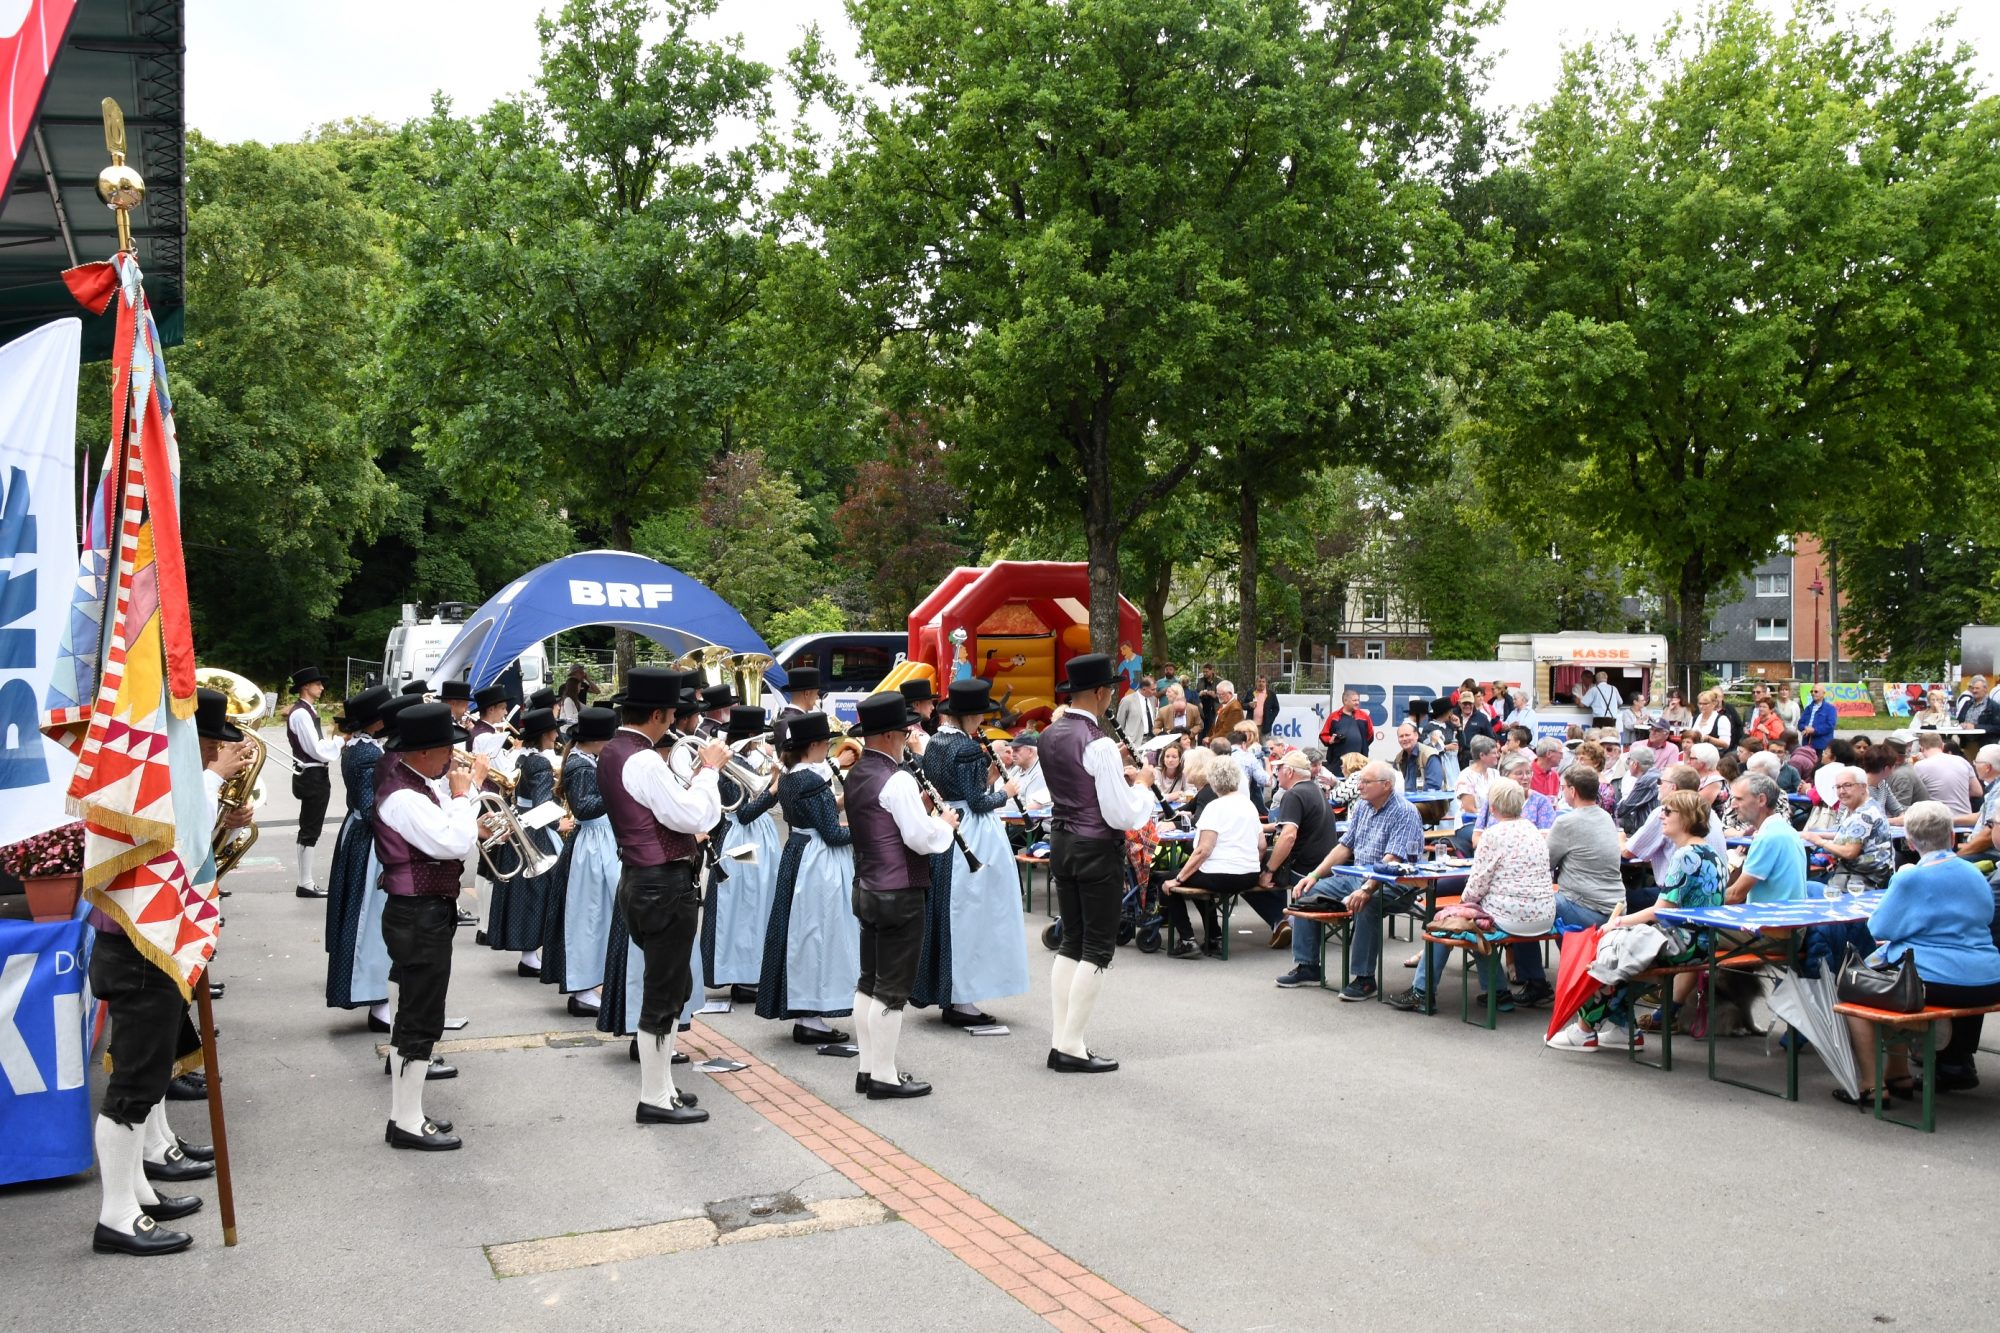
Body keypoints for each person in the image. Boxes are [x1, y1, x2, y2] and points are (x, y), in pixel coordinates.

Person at [85, 689, 248, 1256]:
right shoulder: (148, 785)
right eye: (200, 745)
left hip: (146, 945)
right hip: (138, 948)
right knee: (133, 1086)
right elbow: (182, 834)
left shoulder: (157, 777)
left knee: (147, 1076)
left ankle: (135, 1194)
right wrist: (207, 782)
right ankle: (117, 1215)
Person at [600, 667, 727, 1125]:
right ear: (656, 713)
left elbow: (662, 809)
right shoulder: (644, 759)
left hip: (642, 878)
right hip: (661, 883)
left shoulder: (616, 750)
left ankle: (665, 1087)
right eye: (672, 713)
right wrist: (709, 771)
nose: (675, 721)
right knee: (664, 989)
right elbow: (691, 814)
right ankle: (654, 1095)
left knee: (671, 985)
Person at [1833, 801, 2000, 1105]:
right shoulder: (1975, 873)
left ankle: (1872, 1086)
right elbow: (1986, 916)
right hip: (1989, 979)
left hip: (1942, 983)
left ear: (1909, 842)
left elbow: (1879, 927)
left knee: (1854, 992)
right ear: (1952, 837)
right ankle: (1899, 1076)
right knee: (1890, 980)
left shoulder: (1910, 877)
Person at [374, 702, 486, 1151]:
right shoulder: (403, 794)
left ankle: (409, 1113)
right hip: (417, 912)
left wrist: (469, 805)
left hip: (426, 910)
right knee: (419, 1018)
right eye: (447, 749)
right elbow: (452, 840)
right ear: (424, 751)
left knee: (422, 1014)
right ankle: (405, 1119)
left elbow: (456, 833)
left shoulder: (419, 784)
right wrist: (464, 795)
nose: (452, 758)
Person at [1040, 654, 1158, 1071]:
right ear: (1099, 692)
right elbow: (1120, 815)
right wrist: (1143, 787)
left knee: (1071, 940)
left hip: (1061, 841)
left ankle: (1061, 1039)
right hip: (1094, 847)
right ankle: (1071, 1045)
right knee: (1097, 948)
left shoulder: (1049, 733)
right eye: (1109, 689)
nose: (1111, 695)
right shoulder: (1100, 742)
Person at [843, 691, 962, 1097]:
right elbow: (918, 837)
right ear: (895, 734)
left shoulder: (857, 773)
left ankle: (866, 1068)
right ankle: (884, 1074)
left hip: (866, 887)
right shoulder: (898, 779)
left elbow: (886, 823)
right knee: (892, 990)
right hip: (899, 892)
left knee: (868, 982)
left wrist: (921, 808)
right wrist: (944, 823)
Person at [1550, 790, 1724, 1051]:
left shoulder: (1686, 855)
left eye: (1667, 812)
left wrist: (1618, 922)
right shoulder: (1710, 852)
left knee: (1608, 953)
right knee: (1622, 956)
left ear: (1686, 818)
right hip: (1704, 942)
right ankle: (1624, 1029)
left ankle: (1585, 1031)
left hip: (1685, 943)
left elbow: (1661, 910)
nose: (1661, 816)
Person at [913, 679, 1031, 1027]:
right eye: (979, 714)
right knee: (972, 916)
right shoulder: (964, 749)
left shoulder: (934, 742)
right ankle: (963, 1000)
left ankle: (949, 992)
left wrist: (987, 774)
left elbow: (957, 787)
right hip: (972, 832)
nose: (981, 721)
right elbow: (978, 801)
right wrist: (1005, 791)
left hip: (945, 823)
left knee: (948, 912)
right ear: (968, 715)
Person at [1390, 779, 1554, 1012]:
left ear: (1493, 807)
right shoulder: (1535, 832)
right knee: (1474, 922)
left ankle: (1422, 991)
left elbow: (1476, 887)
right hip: (1543, 914)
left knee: (1448, 922)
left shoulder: (1492, 835)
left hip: (1511, 916)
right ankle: (1498, 993)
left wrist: (1459, 904)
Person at [756, 712, 862, 1046]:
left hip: (797, 852)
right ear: (814, 745)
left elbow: (820, 813)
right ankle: (811, 1015)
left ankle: (804, 1010)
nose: (828, 748)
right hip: (817, 861)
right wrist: (866, 829)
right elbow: (831, 833)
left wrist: (845, 804)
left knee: (798, 932)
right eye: (826, 743)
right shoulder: (812, 780)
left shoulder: (789, 776)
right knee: (819, 933)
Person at [1279, 761, 1425, 998]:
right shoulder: (1364, 807)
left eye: (1366, 782)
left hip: (1396, 884)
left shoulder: (1405, 812)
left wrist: (1366, 889)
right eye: (1359, 781)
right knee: (1307, 892)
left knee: (1367, 905)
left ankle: (1364, 979)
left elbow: (1392, 860)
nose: (1359, 786)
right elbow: (1345, 846)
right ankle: (1308, 967)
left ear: (1386, 785)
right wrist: (1314, 875)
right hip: (1359, 877)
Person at [696, 707, 784, 1005]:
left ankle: (748, 972)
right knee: (745, 905)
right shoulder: (732, 765)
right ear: (749, 738)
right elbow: (744, 813)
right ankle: (742, 974)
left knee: (754, 905)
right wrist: (773, 788)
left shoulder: (742, 760)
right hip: (741, 841)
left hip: (751, 838)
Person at [540, 707, 619, 1016]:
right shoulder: (580, 766)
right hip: (591, 844)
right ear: (598, 740)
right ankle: (584, 990)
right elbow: (585, 808)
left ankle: (590, 985)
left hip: (599, 841)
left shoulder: (586, 761)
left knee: (598, 914)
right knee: (588, 915)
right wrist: (618, 788)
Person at [324, 686, 393, 1027]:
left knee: (367, 914)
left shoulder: (361, 746)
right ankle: (375, 999)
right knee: (369, 916)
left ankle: (377, 998)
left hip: (358, 834)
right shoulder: (366, 754)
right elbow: (370, 808)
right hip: (368, 840)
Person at [483, 709, 571, 974]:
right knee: (539, 892)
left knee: (523, 892)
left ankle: (528, 954)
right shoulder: (541, 764)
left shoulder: (522, 758)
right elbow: (543, 803)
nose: (557, 734)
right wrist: (559, 823)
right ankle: (530, 955)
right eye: (554, 730)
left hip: (520, 824)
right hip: (536, 832)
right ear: (546, 734)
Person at [1159, 759, 1264, 957]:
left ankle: (1187, 940)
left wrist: (1178, 879)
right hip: (1250, 874)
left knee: (1166, 883)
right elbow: (1262, 846)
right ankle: (1214, 936)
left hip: (1222, 874)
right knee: (1199, 881)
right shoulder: (1249, 805)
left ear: (1213, 782)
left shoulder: (1215, 807)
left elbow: (1203, 850)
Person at [1259, 751, 1339, 951]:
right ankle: (1288, 918)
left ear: (1289, 771)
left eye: (1279, 769)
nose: (1276, 773)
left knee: (1247, 871)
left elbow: (1288, 837)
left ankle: (1281, 920)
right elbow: (1286, 826)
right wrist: (1259, 827)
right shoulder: (1315, 790)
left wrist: (1268, 871)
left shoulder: (1293, 794)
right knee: (1268, 863)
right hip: (1324, 865)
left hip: (1303, 870)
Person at [286, 666, 342, 899]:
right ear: (305, 687)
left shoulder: (306, 711)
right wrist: (340, 740)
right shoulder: (301, 713)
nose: (321, 687)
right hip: (312, 774)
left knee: (311, 827)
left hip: (313, 773)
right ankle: (305, 882)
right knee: (310, 828)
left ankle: (305, 881)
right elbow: (316, 750)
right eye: (317, 684)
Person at [1802, 763, 1895, 891]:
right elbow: (1851, 835)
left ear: (1863, 787)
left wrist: (1819, 841)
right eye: (1838, 787)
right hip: (1861, 875)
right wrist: (1812, 835)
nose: (1841, 791)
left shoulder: (1863, 815)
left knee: (1806, 888)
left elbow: (1849, 852)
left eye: (1847, 785)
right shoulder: (1868, 806)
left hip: (1861, 882)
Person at [1726, 772, 1806, 903]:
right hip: (1787, 919)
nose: (1733, 805)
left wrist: (1694, 901)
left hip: (1771, 921)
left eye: (1739, 799)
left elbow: (1735, 895)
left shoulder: (1768, 837)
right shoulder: (1786, 830)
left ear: (1761, 800)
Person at [1912, 730, 1982, 821]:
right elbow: (1978, 791)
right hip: (1965, 819)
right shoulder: (1962, 761)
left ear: (1921, 748)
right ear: (1942, 746)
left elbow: (1914, 795)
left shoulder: (1920, 766)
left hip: (1937, 821)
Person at [1319, 688, 1374, 765]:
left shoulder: (1364, 716)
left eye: (1358, 700)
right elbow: (1323, 735)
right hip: (1337, 762)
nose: (1357, 703)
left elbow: (1370, 736)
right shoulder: (1334, 716)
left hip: (1359, 762)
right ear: (1345, 701)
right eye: (1354, 700)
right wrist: (1330, 740)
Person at [1116, 674, 1157, 742]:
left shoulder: (1153, 699)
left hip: (1152, 738)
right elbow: (1119, 723)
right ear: (1144, 689)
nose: (1155, 692)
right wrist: (1123, 741)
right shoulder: (1127, 700)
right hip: (1135, 741)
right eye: (1153, 689)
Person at [1798, 684, 1838, 754]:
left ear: (1823, 693)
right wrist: (1805, 728)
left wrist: (1814, 730)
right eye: (1811, 691)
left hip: (1822, 745)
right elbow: (1800, 723)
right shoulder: (1808, 708)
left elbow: (1830, 725)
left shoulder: (1830, 709)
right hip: (1806, 744)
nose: (1813, 693)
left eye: (1816, 691)